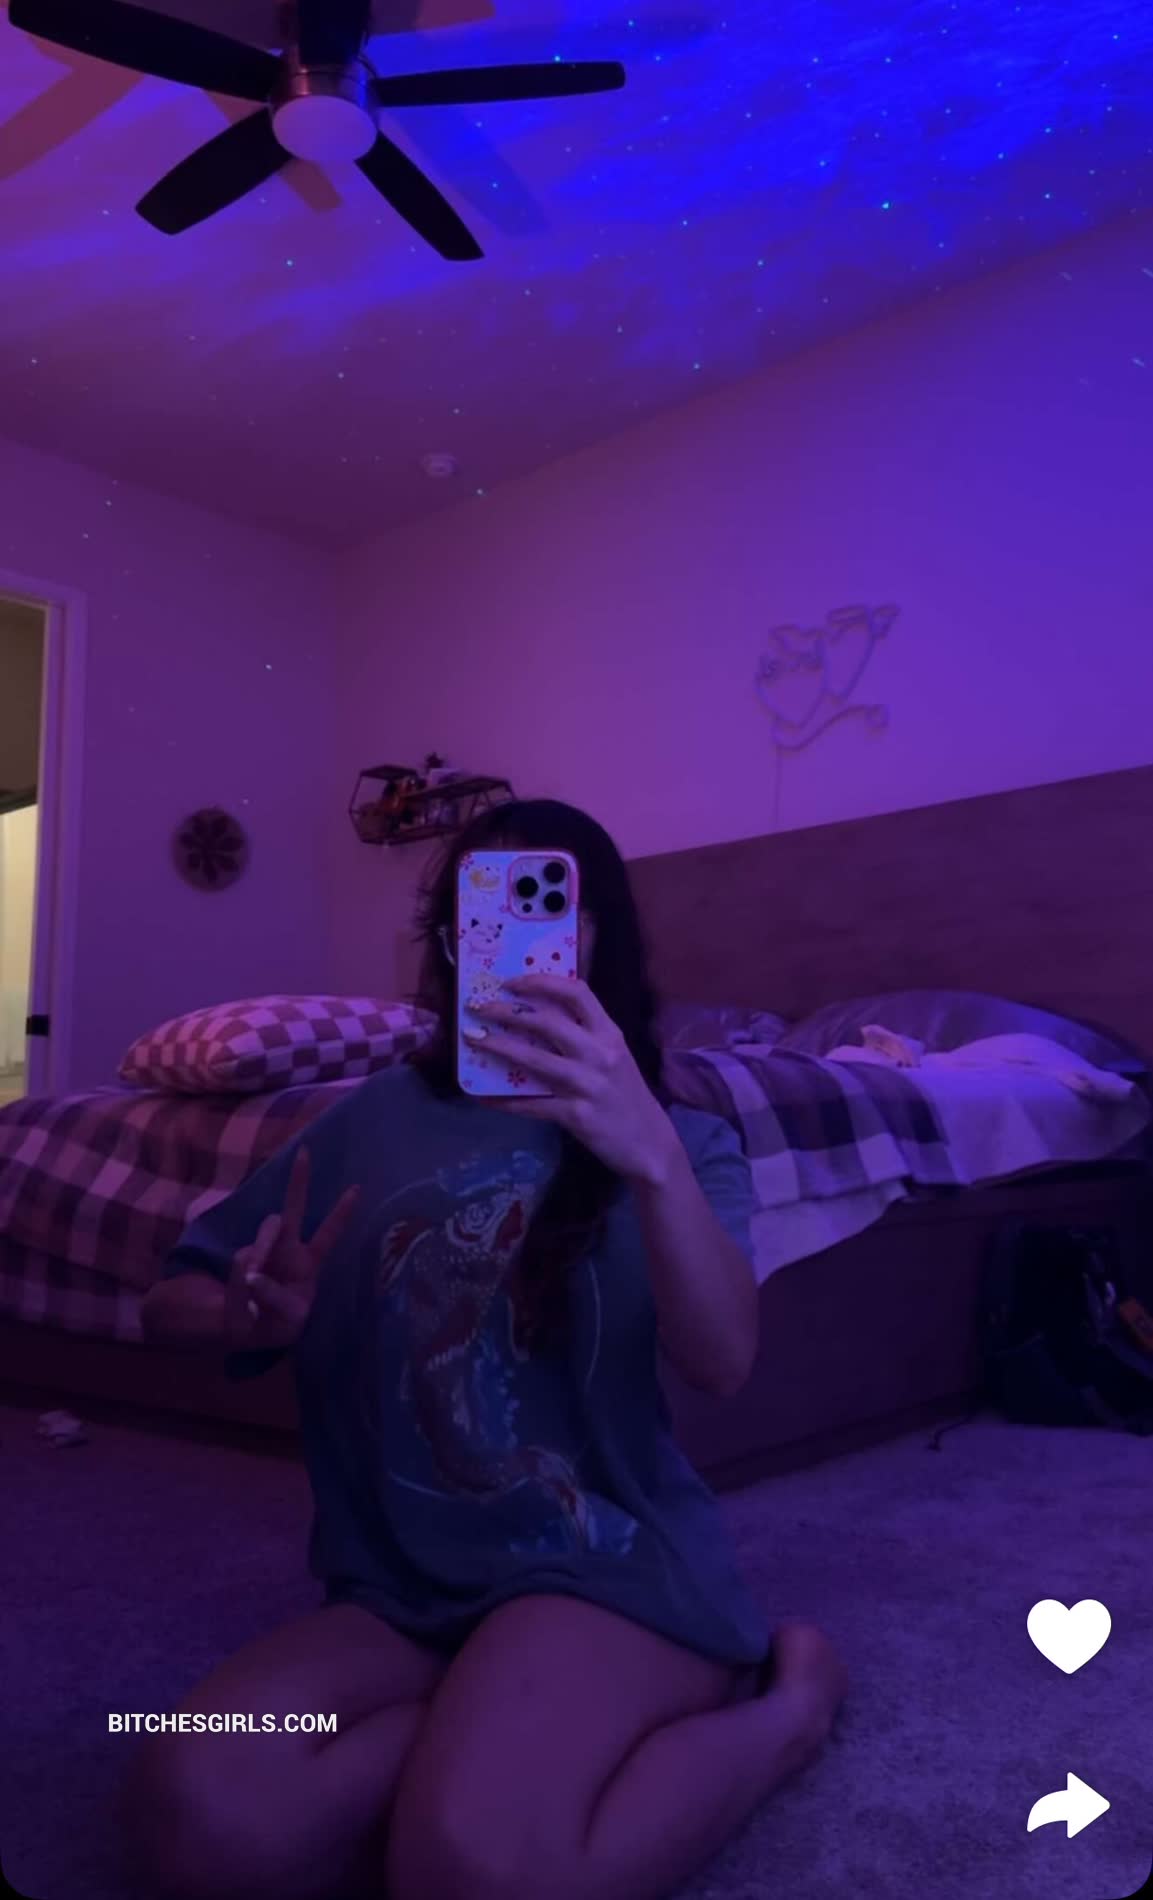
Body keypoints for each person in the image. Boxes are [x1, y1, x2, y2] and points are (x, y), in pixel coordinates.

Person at [122, 799, 846, 1900]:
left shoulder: (685, 1139)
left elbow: (722, 1361)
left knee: (474, 1871)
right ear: (452, 947)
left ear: (597, 940)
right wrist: (244, 1315)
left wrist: (649, 1153)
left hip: (603, 1569)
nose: (511, 943)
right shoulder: (371, 1117)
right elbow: (166, 1300)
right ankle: (480, 1732)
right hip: (398, 1587)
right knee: (193, 1810)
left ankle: (788, 1711)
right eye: (479, 917)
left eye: (545, 909)